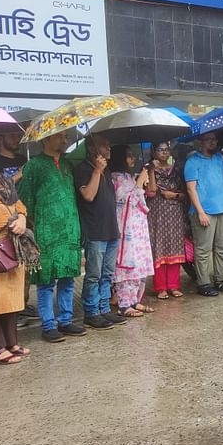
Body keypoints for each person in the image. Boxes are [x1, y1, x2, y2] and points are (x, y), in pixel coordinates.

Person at [19, 131, 85, 343]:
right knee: (46, 280)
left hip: (70, 229)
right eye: (61, 137)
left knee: (67, 277)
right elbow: (24, 199)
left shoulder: (67, 165)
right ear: (46, 139)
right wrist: (35, 225)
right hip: (46, 232)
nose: (65, 141)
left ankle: (65, 320)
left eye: (66, 137)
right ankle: (48, 325)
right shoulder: (34, 166)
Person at [0, 137, 34, 364]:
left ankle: (11, 342)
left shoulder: (0, 178)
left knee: (11, 295)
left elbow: (18, 203)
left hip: (11, 242)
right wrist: (11, 221)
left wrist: (22, 218)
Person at [75, 134, 126, 329]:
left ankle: (104, 308)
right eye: (103, 145)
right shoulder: (82, 169)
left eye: (109, 144)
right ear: (91, 149)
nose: (108, 148)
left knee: (107, 274)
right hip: (95, 232)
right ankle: (91, 312)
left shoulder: (107, 170)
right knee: (94, 275)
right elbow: (88, 195)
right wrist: (97, 170)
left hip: (111, 230)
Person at [184, 132, 223, 296]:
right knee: (203, 250)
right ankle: (204, 284)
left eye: (215, 139)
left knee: (221, 248)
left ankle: (220, 280)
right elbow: (190, 189)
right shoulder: (192, 162)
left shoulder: (219, 158)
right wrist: (200, 212)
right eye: (209, 140)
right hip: (204, 212)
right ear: (201, 142)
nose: (213, 142)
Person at [109, 145, 155, 317]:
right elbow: (125, 200)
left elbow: (148, 194)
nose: (133, 159)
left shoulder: (130, 176)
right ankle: (124, 303)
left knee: (139, 264)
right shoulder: (115, 178)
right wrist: (138, 183)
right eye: (128, 156)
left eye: (132, 155)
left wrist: (147, 174)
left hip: (138, 227)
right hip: (125, 227)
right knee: (126, 266)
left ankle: (135, 300)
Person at [146, 141, 188, 299]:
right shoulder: (148, 170)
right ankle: (160, 287)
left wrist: (174, 195)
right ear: (154, 152)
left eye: (166, 149)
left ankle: (174, 285)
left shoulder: (176, 171)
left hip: (175, 213)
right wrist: (150, 171)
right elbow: (150, 192)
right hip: (157, 213)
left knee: (174, 246)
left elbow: (185, 194)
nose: (164, 152)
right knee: (159, 246)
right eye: (160, 149)